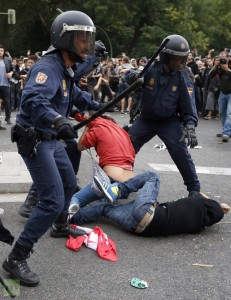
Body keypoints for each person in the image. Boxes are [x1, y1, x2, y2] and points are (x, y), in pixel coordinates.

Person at [2, 10, 98, 287]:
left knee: (69, 183)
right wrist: (58, 120)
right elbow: (33, 99)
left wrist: (97, 107)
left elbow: (74, 95)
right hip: (35, 139)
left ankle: (60, 224)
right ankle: (16, 257)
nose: (86, 45)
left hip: (51, 139)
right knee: (52, 198)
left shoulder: (65, 66)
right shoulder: (48, 67)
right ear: (66, 38)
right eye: (82, 39)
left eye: (87, 39)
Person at [126, 34, 201, 198]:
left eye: (180, 59)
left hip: (168, 121)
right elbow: (131, 75)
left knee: (181, 152)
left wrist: (190, 125)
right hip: (146, 120)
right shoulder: (151, 68)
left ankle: (194, 190)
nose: (177, 62)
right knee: (126, 147)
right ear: (165, 56)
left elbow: (189, 105)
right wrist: (132, 77)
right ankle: (121, 181)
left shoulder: (184, 76)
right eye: (174, 58)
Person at [70, 172, 230, 237]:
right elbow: (207, 204)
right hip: (138, 228)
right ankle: (70, 217)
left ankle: (118, 190)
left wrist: (220, 206)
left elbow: (199, 195)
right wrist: (219, 211)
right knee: (104, 208)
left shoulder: (197, 203)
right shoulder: (197, 226)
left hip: (147, 213)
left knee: (153, 176)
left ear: (208, 205)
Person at [69, 113, 135, 213]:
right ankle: (107, 203)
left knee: (76, 198)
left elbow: (80, 146)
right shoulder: (121, 131)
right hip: (128, 184)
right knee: (102, 202)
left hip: (109, 180)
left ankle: (71, 215)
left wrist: (87, 128)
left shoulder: (97, 128)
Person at [207, 51, 231, 142]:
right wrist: (215, 66)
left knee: (229, 112)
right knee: (222, 112)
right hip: (223, 92)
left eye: (223, 58)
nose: (222, 59)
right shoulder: (219, 66)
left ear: (228, 57)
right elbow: (209, 76)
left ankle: (226, 133)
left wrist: (227, 69)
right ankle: (226, 130)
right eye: (220, 58)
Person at [0, 44, 13, 126]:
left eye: (1, 51)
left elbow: (13, 68)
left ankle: (8, 118)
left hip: (6, 84)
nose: (0, 52)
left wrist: (11, 73)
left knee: (7, 101)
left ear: (4, 51)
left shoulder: (7, 59)